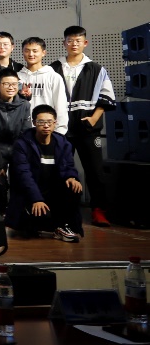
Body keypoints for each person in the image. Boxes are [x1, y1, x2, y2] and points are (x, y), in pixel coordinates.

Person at [51, 25, 117, 226]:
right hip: (62, 128)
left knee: (95, 171)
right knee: (60, 169)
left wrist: (94, 118)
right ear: (64, 43)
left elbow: (106, 95)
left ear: (85, 43)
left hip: (88, 128)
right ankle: (61, 210)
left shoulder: (96, 69)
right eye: (70, 40)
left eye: (78, 41)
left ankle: (99, 210)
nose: (74, 44)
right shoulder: (54, 68)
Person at [5, 105, 83, 242]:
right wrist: (36, 199)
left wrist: (71, 177)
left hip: (53, 192)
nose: (46, 126)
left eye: (49, 122)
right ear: (34, 123)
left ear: (55, 123)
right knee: (31, 228)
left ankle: (63, 226)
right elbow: (24, 175)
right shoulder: (22, 144)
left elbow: (68, 165)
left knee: (74, 186)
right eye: (41, 122)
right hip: (30, 194)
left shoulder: (62, 143)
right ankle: (39, 223)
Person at [0, 68, 32, 163]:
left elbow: (26, 133)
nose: (11, 87)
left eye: (14, 84)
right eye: (6, 84)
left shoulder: (24, 105)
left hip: (19, 151)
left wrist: (18, 153)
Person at [18, 37, 68, 136]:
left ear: (43, 53)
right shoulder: (17, 77)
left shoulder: (53, 77)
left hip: (47, 130)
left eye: (35, 51)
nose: (31, 54)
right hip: (22, 132)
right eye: (27, 51)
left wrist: (59, 132)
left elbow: (60, 106)